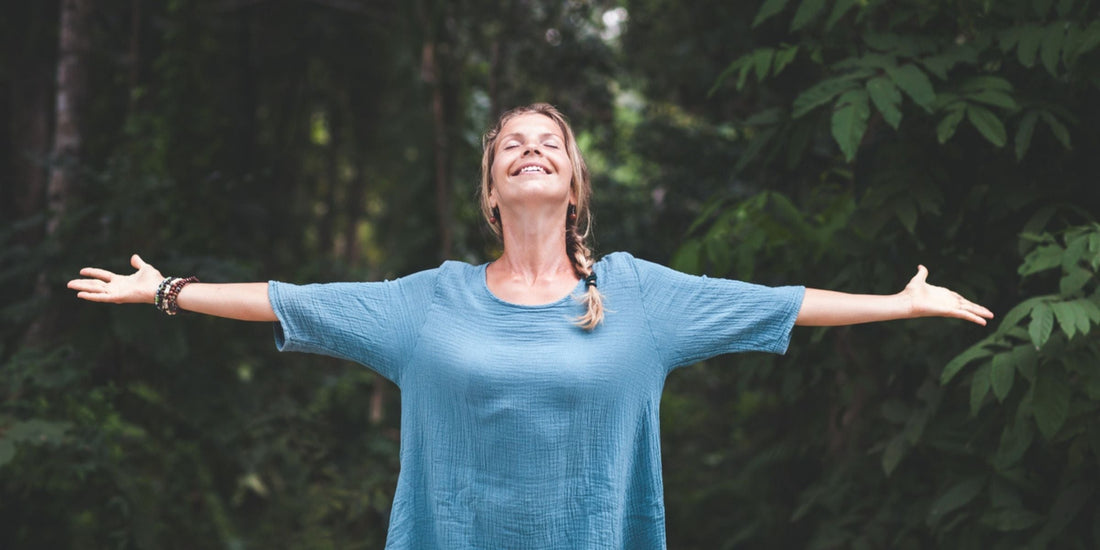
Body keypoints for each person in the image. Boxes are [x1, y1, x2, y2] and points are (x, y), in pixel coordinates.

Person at [68, 103, 993, 549]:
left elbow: (777, 304)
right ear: (491, 187)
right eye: (512, 142)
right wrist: (166, 291)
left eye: (549, 141)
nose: (532, 149)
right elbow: (290, 299)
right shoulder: (426, 302)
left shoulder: (642, 295)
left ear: (575, 182)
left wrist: (899, 303)